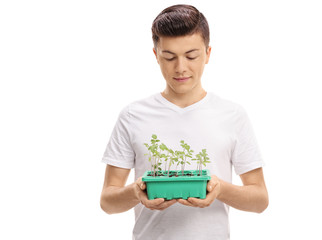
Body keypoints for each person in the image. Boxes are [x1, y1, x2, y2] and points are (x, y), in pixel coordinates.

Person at [100, 4, 268, 240]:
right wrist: (136, 192)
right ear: (156, 55)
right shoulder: (132, 115)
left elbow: (260, 199)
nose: (180, 68)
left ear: (208, 54)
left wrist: (219, 188)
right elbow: (108, 201)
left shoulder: (232, 115)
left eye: (191, 56)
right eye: (169, 57)